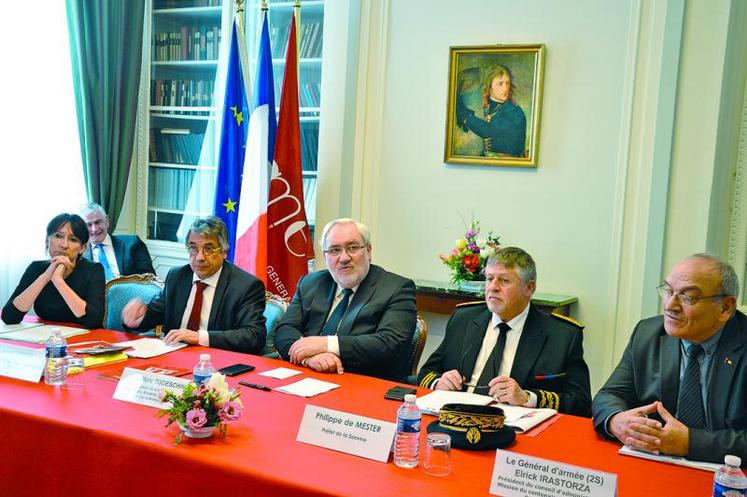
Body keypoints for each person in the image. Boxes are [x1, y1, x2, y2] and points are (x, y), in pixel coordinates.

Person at [592, 254, 747, 463]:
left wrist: (691, 442)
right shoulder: (647, 333)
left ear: (726, 307)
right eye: (668, 291)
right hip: (656, 466)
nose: (670, 305)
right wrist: (616, 420)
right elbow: (610, 395)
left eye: (687, 297)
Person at [418, 247, 591, 416]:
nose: (493, 287)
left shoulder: (562, 335)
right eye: (489, 279)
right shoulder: (464, 319)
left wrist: (527, 397)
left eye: (504, 281)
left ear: (529, 288)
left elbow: (581, 403)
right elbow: (426, 372)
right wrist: (439, 382)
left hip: (515, 427)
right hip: (458, 418)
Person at [274, 218, 417, 381]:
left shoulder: (397, 288)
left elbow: (390, 343)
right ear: (325, 256)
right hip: (308, 377)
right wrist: (309, 358)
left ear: (368, 251)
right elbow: (285, 329)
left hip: (363, 384)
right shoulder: (310, 283)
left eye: (353, 248)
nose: (344, 258)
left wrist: (326, 344)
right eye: (334, 250)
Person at [121, 216, 266, 354]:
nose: (199, 257)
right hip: (173, 357)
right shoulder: (177, 277)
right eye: (193, 248)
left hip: (216, 364)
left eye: (208, 249)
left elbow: (253, 336)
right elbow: (153, 315)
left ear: (224, 252)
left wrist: (199, 337)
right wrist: (136, 318)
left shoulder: (245, 286)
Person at [2, 213, 104, 329]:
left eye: (73, 239)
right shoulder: (36, 268)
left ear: (82, 248)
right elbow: (9, 317)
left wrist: (58, 281)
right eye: (58, 236)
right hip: (46, 337)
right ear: (47, 240)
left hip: (82, 339)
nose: (64, 245)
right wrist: (45, 277)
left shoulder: (93, 270)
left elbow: (94, 321)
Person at [455, 65, 527, 158]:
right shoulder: (489, 103)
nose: (505, 88)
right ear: (490, 86)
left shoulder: (516, 113)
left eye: (507, 83)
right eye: (500, 83)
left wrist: (466, 117)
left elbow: (489, 130)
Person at [81, 202, 155, 280]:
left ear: (106, 221)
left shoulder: (133, 243)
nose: (94, 229)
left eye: (98, 222)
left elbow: (149, 278)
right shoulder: (80, 255)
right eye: (89, 225)